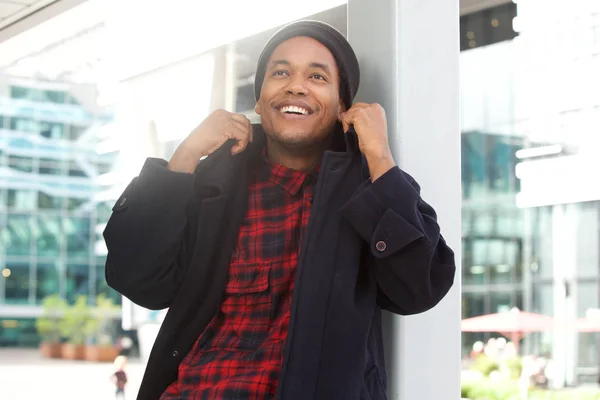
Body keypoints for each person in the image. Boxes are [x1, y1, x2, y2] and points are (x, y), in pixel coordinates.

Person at [104, 20, 456, 400]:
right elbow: (138, 279)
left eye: (318, 76)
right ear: (259, 100)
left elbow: (419, 288)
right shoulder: (216, 183)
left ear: (343, 106)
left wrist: (380, 156)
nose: (296, 85)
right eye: (281, 72)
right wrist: (186, 154)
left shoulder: (367, 190)